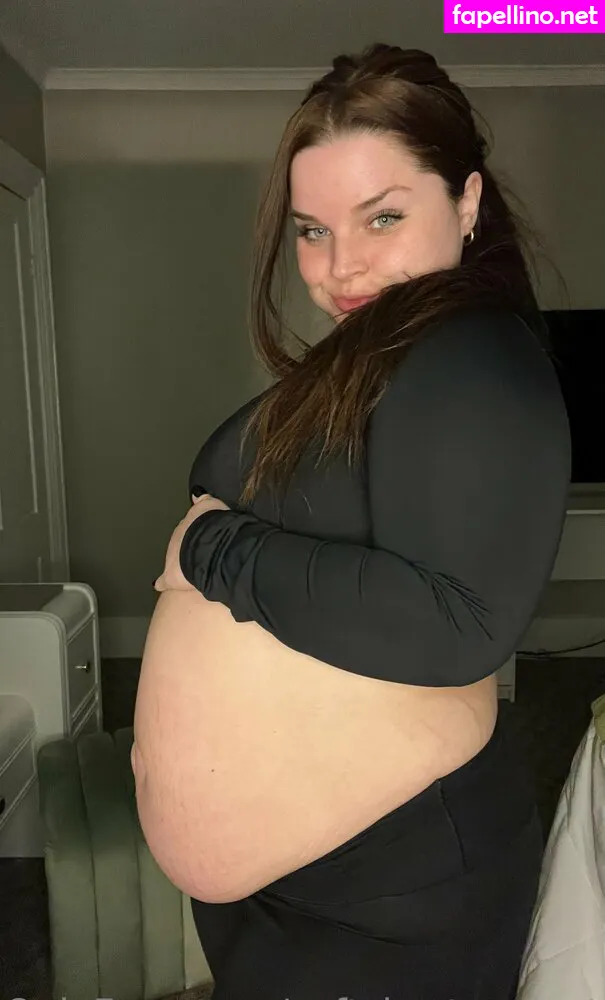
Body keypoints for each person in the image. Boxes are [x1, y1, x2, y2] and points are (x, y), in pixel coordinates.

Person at [132, 43, 571, 1000]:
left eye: (382, 217)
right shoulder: (386, 355)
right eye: (311, 231)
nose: (340, 267)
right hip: (317, 883)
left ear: (466, 201)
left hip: (389, 892)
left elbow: (456, 623)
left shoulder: (471, 354)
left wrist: (211, 547)